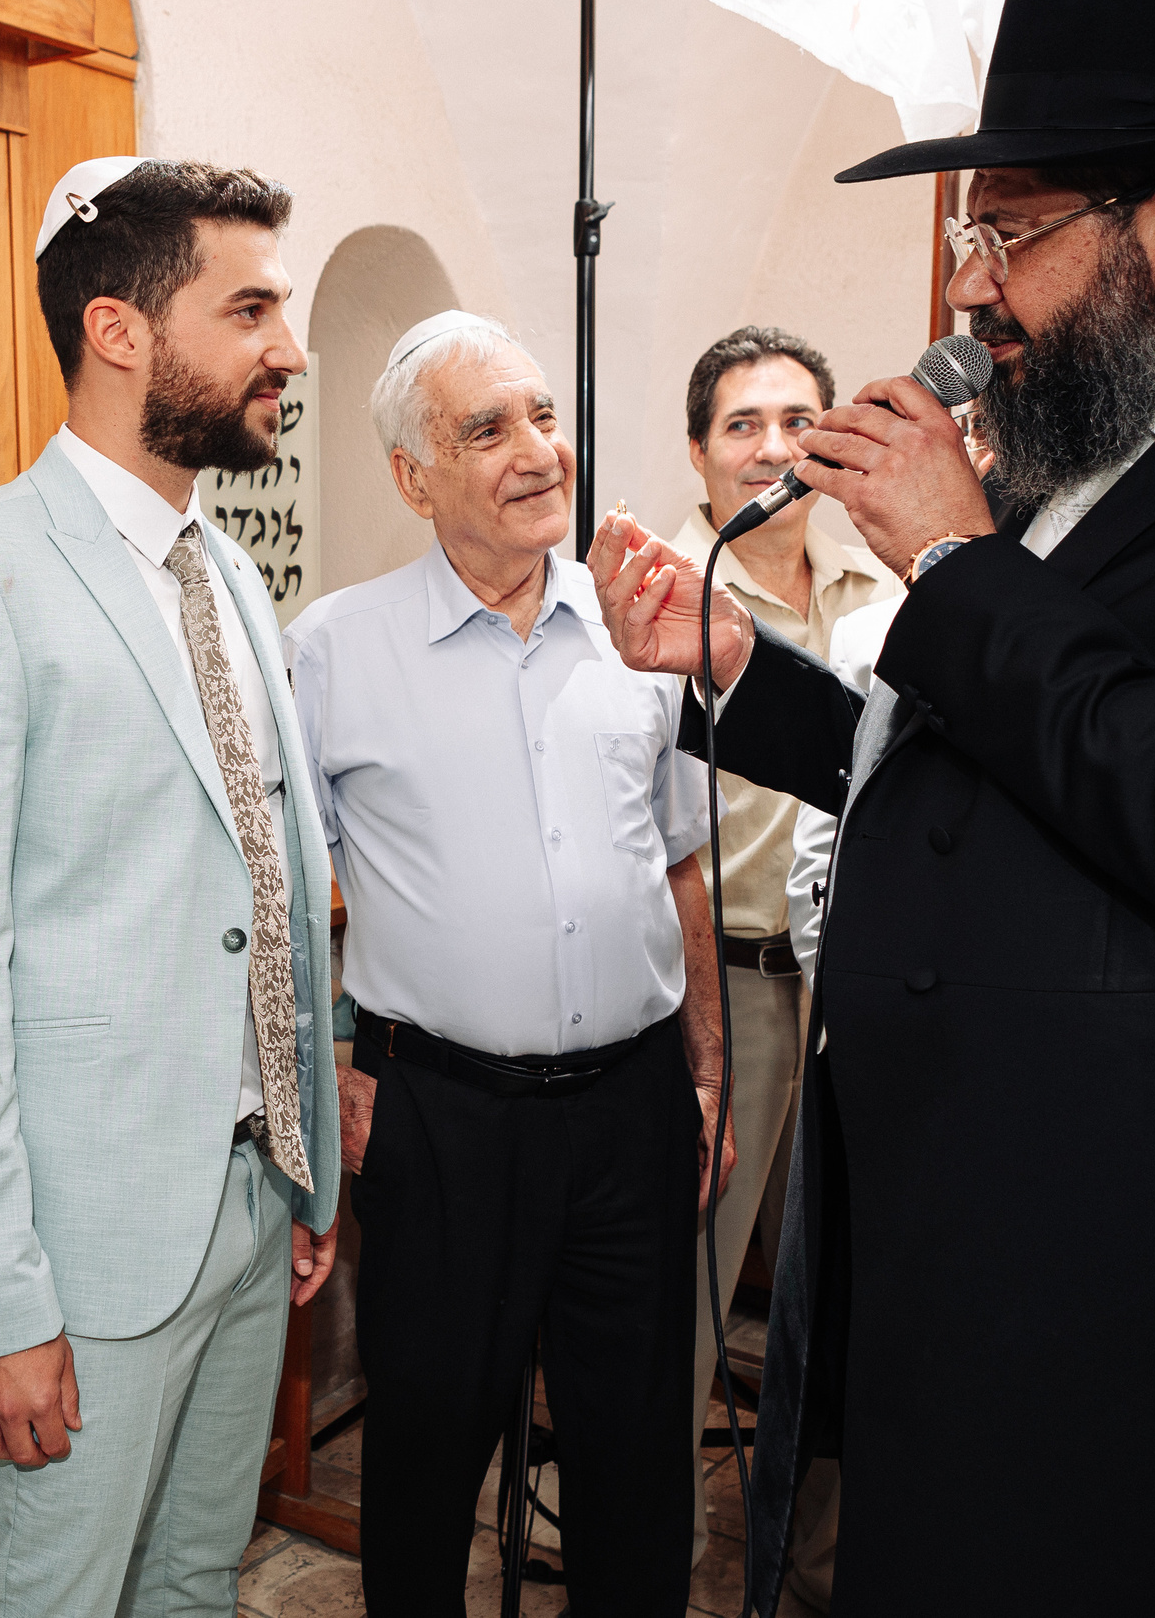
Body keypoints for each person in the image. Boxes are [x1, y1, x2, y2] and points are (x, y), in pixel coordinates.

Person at [587, 0, 1155, 1613]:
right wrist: (747, 669)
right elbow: (996, 779)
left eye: (1011, 229)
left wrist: (962, 566)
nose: (970, 284)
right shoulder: (1097, 440)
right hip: (965, 1273)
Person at [0, 158, 341, 1618]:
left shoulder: (229, 572)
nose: (289, 349)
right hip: (78, 1246)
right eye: (248, 307)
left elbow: (268, 871)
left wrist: (307, 1130)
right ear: (122, 330)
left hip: (253, 1208)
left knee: (193, 1584)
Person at [284, 310, 725, 1617]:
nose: (540, 449)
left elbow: (684, 862)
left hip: (634, 1104)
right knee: (425, 1457)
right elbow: (294, 903)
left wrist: (709, 1076)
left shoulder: (647, 626)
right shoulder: (334, 649)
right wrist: (333, 1068)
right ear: (414, 476)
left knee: (634, 1458)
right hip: (443, 1117)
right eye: (491, 427)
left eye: (543, 413)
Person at [663, 326, 890, 1590]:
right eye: (742, 425)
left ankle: (808, 1560)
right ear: (699, 456)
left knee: (844, 1299)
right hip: (731, 998)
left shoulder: (885, 589)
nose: (773, 449)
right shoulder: (664, 602)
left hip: (850, 1001)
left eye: (798, 421)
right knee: (684, 1302)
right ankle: (636, 1551)